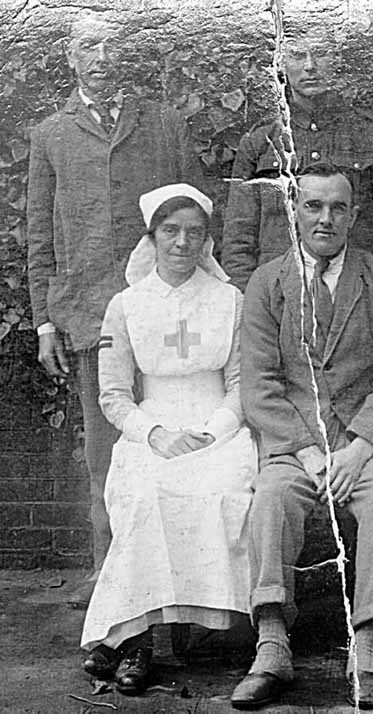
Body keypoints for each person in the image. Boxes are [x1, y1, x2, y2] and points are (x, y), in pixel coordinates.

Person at [27, 10, 202, 606]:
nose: (101, 58)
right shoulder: (50, 134)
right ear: (71, 59)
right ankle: (114, 585)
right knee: (106, 454)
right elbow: (39, 233)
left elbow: (199, 218)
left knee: (178, 444)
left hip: (167, 310)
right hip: (89, 314)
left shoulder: (163, 124)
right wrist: (45, 318)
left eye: (111, 46)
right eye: (89, 48)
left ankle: (182, 584)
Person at [231, 162, 373, 710]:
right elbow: (261, 385)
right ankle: (271, 645)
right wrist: (309, 450)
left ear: (354, 215)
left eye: (338, 207)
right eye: (313, 206)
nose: (325, 218)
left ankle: (367, 646)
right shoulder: (268, 282)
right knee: (270, 499)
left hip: (366, 444)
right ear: (294, 211)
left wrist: (360, 447)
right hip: (297, 446)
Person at [79, 184, 255, 695]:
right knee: (144, 495)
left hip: (218, 427)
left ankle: (135, 642)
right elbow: (113, 396)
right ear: (151, 238)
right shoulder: (126, 305)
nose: (182, 242)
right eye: (170, 231)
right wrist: (155, 434)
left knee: (215, 491)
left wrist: (212, 431)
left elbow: (242, 383)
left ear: (206, 241)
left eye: (194, 233)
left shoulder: (230, 299)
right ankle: (138, 643)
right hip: (152, 428)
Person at [222, 27, 373, 289]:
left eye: (321, 54)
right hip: (279, 293)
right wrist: (254, 298)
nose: (310, 66)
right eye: (298, 55)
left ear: (337, 59)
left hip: (357, 292)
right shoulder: (259, 143)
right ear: (281, 63)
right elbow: (238, 241)